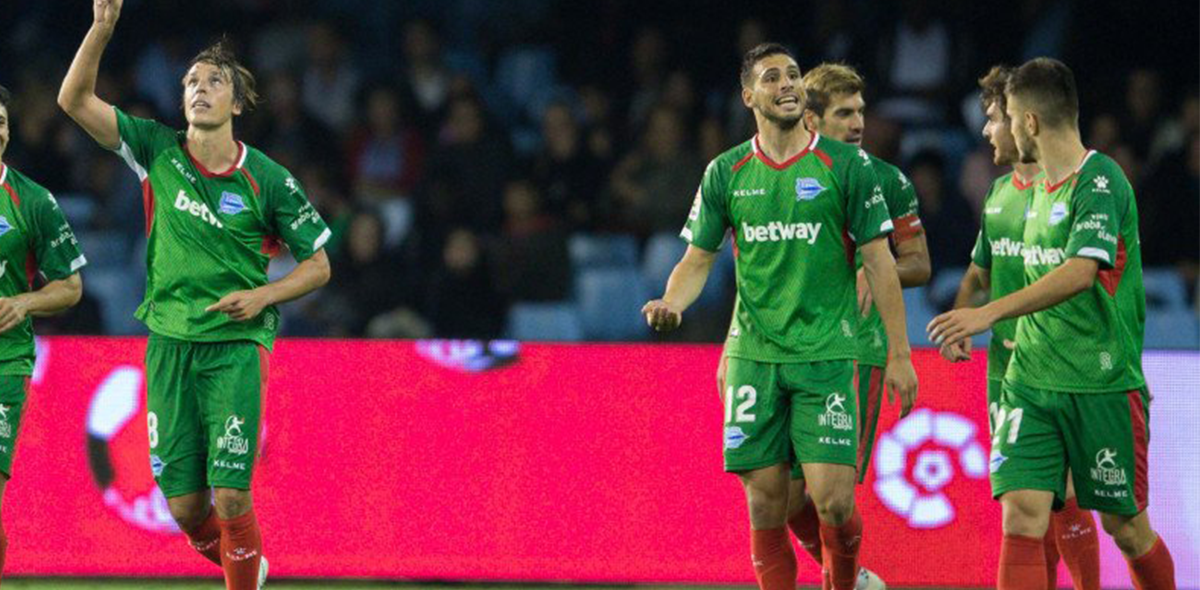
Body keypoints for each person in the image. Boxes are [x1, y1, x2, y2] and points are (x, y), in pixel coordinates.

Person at [58, 1, 332, 588]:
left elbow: (319, 266)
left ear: (237, 103)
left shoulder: (269, 178)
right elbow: (74, 102)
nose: (199, 89)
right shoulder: (156, 151)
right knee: (185, 509)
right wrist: (102, 29)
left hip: (235, 346)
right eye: (190, 81)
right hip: (168, 344)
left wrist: (264, 297)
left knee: (232, 497)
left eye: (214, 82)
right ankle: (248, 566)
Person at [642, 43, 917, 590]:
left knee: (834, 503)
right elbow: (698, 259)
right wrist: (672, 301)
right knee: (765, 505)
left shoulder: (847, 167)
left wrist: (899, 353)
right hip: (756, 358)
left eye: (793, 75)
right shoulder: (726, 172)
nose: (787, 84)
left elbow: (882, 264)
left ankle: (848, 581)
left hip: (827, 355)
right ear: (749, 96)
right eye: (773, 77)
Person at [928, 58, 1175, 590]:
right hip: (1029, 384)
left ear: (1032, 122)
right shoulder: (1026, 192)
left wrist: (986, 312)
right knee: (1021, 515)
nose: (1006, 127)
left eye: (1010, 117)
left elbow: (1081, 272)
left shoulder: (1101, 181)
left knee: (1126, 529)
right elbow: (988, 264)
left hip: (1100, 383)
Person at [715, 62, 930, 590]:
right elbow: (764, 277)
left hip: (855, 348)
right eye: (844, 112)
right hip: (775, 350)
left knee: (831, 499)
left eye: (861, 111)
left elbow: (919, 263)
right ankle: (853, 580)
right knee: (783, 500)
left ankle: (846, 580)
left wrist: (872, 270)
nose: (858, 123)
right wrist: (729, 345)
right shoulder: (766, 173)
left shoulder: (882, 177)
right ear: (810, 116)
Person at [943, 65, 1101, 590]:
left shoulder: (1073, 189)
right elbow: (979, 273)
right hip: (1008, 373)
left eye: (996, 118)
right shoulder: (998, 197)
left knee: (1069, 499)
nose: (990, 130)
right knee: (1027, 504)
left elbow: (1088, 274)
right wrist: (964, 317)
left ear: (1024, 122)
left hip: (1068, 366)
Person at [0, 84, 87, 578]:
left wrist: (24, 301)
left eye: (2, 121)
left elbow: (70, 287)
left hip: (5, 362)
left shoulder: (31, 200)